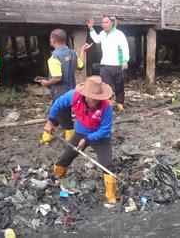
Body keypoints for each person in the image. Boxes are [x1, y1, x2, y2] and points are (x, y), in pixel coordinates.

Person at [43, 76, 117, 204]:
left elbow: (105, 129)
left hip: (100, 137)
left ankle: (111, 196)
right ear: (85, 94)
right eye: (91, 98)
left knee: (107, 166)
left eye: (97, 99)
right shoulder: (74, 96)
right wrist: (50, 122)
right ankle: (57, 179)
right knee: (65, 158)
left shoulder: (106, 106)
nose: (94, 101)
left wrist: (88, 139)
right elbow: (57, 104)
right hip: (80, 132)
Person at [39, 29, 92, 143]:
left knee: (64, 116)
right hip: (71, 90)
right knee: (56, 112)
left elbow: (57, 78)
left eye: (50, 38)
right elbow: (81, 66)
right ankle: (48, 135)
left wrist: (46, 83)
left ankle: (71, 139)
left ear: (53, 40)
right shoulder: (72, 53)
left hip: (59, 91)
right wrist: (83, 51)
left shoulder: (54, 58)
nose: (49, 40)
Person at [87, 15, 129, 112]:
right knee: (106, 85)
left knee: (119, 85)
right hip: (105, 64)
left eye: (106, 22)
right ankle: (108, 102)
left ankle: (119, 103)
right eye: (102, 23)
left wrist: (125, 60)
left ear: (112, 23)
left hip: (117, 64)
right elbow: (97, 40)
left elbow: (125, 48)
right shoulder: (102, 33)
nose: (104, 25)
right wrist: (91, 28)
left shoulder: (119, 34)